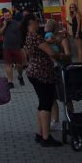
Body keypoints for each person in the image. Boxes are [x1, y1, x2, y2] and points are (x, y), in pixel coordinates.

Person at [23, 17, 63, 147]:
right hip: (42, 73)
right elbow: (50, 52)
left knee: (42, 103)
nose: (38, 24)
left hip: (33, 72)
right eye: (36, 22)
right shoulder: (35, 37)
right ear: (31, 24)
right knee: (46, 103)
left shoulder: (28, 37)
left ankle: (40, 134)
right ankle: (46, 137)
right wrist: (60, 54)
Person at [0, 9, 25, 87]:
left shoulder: (17, 24)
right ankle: (10, 82)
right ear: (3, 17)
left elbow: (23, 34)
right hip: (6, 47)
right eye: (6, 16)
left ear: (11, 15)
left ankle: (20, 76)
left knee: (19, 65)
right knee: (8, 65)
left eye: (8, 15)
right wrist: (4, 26)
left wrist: (22, 45)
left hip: (16, 47)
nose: (7, 17)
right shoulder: (2, 24)